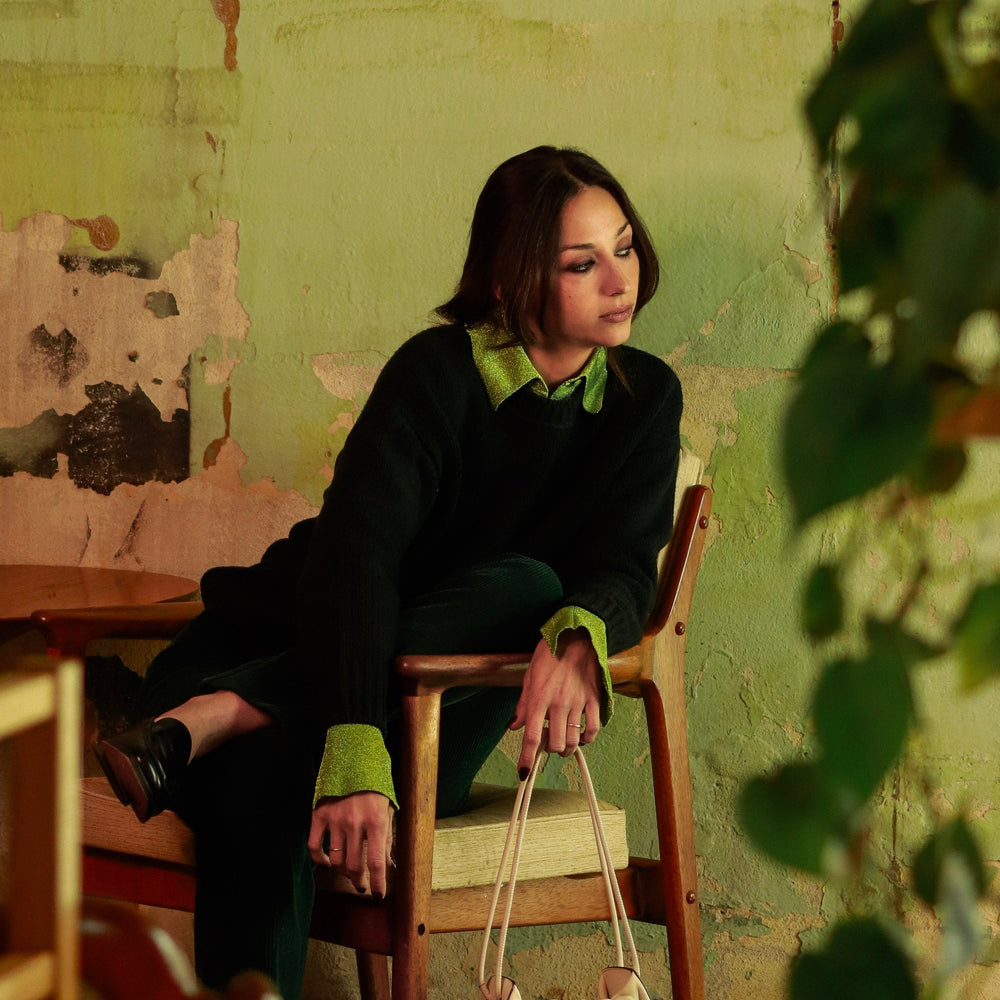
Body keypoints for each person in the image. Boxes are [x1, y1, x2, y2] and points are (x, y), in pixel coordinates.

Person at [94, 145, 682, 1000]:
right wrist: (353, 745)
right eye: (581, 263)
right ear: (511, 280)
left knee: (530, 588)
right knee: (267, 789)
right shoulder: (437, 374)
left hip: (437, 709)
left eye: (623, 248)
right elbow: (353, 560)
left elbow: (625, 565)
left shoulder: (644, 398)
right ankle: (231, 709)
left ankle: (231, 710)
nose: (619, 280)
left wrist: (578, 634)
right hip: (288, 641)